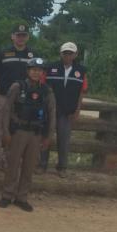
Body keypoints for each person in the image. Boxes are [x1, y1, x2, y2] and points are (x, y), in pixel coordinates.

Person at [0, 57, 56, 212]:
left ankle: (22, 197)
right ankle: (7, 195)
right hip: (19, 131)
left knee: (29, 167)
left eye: (39, 70)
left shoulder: (47, 91)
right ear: (28, 71)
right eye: (33, 70)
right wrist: (5, 131)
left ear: (43, 73)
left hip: (36, 133)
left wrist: (49, 136)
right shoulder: (18, 87)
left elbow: (52, 113)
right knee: (12, 165)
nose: (36, 73)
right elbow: (7, 109)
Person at [0, 23, 39, 173]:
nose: (20, 38)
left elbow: (38, 76)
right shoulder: (3, 53)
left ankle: (8, 159)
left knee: (15, 129)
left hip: (23, 100)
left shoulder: (33, 55)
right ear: (12, 36)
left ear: (27, 37)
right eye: (18, 35)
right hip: (3, 96)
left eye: (23, 35)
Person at [40, 42, 88, 178]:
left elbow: (82, 91)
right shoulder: (50, 67)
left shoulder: (81, 71)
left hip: (67, 111)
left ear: (75, 55)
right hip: (49, 110)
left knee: (64, 139)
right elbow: (41, 86)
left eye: (70, 53)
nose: (67, 56)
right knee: (45, 137)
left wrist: (77, 110)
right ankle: (41, 165)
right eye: (65, 53)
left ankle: (62, 167)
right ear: (60, 54)